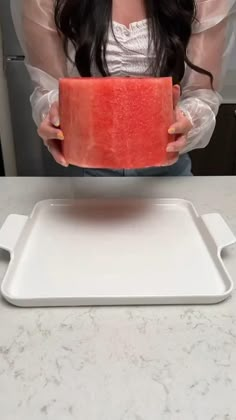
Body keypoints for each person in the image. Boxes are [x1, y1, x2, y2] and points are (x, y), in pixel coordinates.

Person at [11, 0, 236, 176]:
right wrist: (53, 116)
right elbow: (48, 91)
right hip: (82, 170)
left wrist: (188, 119)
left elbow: (202, 94)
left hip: (167, 171)